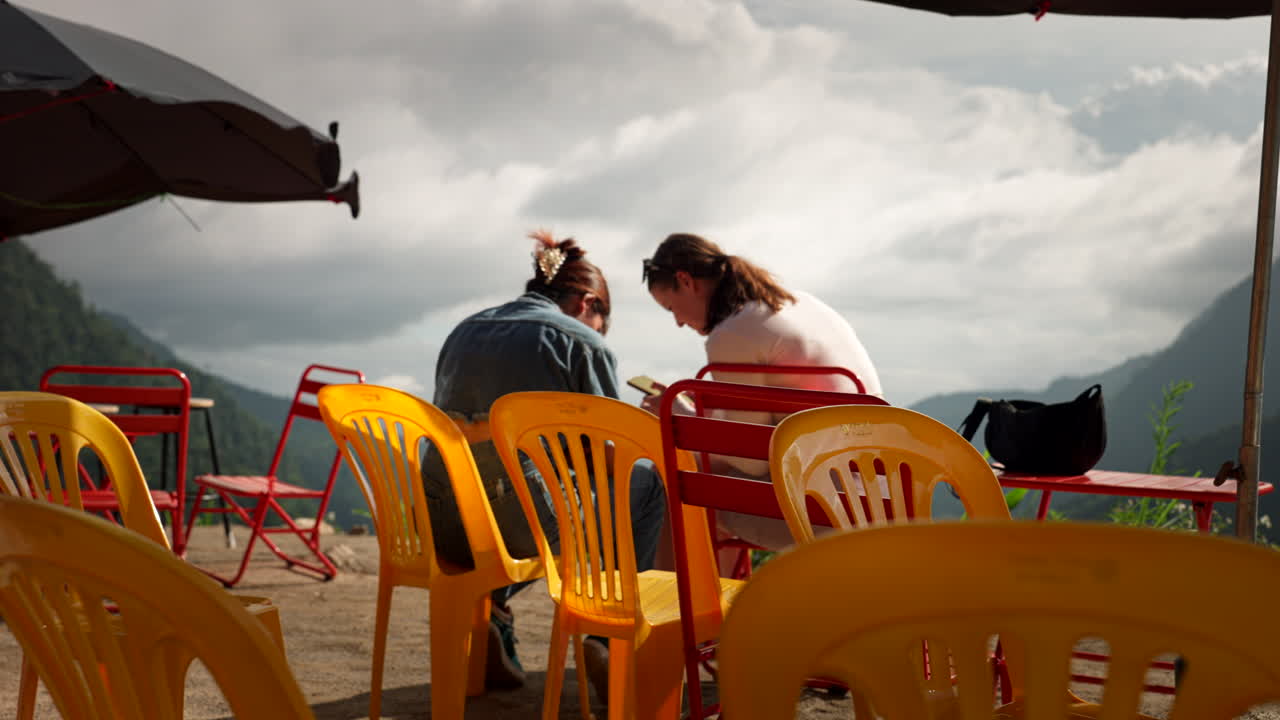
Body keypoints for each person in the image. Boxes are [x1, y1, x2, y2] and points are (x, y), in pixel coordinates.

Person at [422, 230, 665, 701]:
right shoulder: (579, 342)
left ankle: (491, 607)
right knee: (643, 484)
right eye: (601, 323)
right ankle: (606, 636)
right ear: (588, 302)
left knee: (520, 487)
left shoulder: (463, 330)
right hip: (518, 523)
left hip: (442, 519)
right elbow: (604, 458)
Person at [640, 232, 884, 549]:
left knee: (679, 483)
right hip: (880, 493)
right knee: (710, 475)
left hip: (825, 509)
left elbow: (752, 463)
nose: (678, 322)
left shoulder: (730, 333)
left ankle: (680, 596)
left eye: (671, 307)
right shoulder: (801, 303)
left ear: (686, 281)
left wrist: (678, 415)